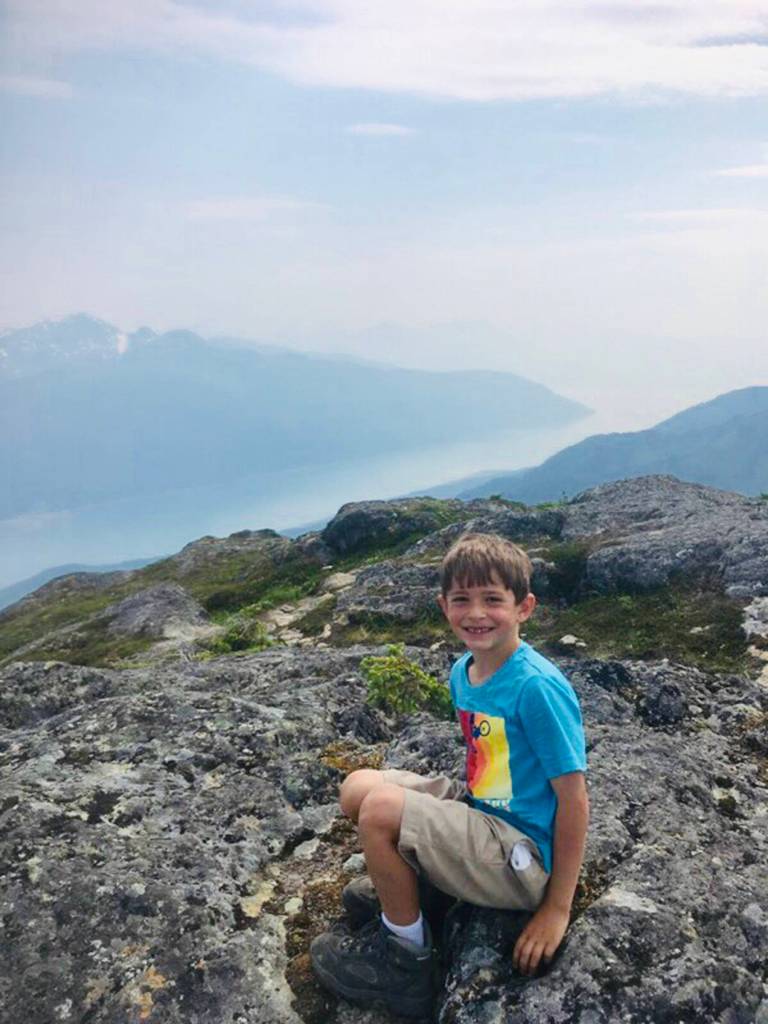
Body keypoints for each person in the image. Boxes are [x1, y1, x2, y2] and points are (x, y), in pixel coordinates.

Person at [310, 532, 589, 1018]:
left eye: (492, 600)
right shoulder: (464, 672)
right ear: (444, 606)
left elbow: (574, 798)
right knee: (358, 787)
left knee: (379, 812)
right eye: (462, 599)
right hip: (484, 811)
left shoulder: (536, 688)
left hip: (521, 855)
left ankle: (405, 962)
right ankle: (415, 897)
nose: (476, 613)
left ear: (524, 607)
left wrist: (557, 908)